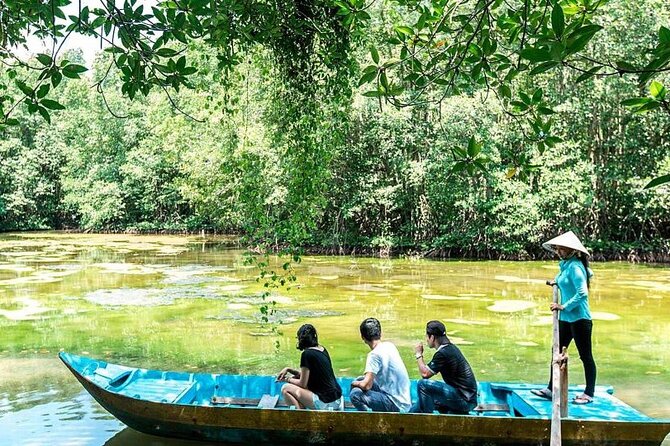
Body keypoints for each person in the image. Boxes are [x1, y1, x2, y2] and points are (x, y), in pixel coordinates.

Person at [531, 230, 596, 405]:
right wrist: (556, 283)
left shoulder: (575, 267)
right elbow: (583, 275)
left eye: (562, 249)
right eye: (557, 249)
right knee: (556, 352)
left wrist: (563, 306)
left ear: (572, 250)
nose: (559, 252)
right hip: (566, 319)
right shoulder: (566, 266)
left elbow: (582, 293)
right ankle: (552, 389)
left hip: (580, 319)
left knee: (585, 356)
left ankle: (589, 393)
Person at [411, 320, 478, 414]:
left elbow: (425, 374)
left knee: (422, 384)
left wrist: (418, 354)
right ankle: (407, 417)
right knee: (428, 398)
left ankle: (425, 421)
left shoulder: (443, 353)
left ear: (432, 337)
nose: (426, 339)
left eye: (427, 336)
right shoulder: (450, 348)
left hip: (465, 401)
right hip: (467, 398)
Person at [349, 317, 411, 412]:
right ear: (380, 333)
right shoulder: (390, 345)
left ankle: (369, 420)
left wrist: (354, 384)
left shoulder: (374, 355)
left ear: (363, 337)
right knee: (360, 379)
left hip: (395, 404)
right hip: (404, 400)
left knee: (355, 394)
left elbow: (367, 386)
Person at [276, 324, 343, 410]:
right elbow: (307, 376)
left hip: (325, 402)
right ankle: (302, 411)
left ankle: (301, 418)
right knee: (296, 385)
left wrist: (286, 379)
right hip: (336, 400)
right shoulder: (322, 349)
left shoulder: (306, 354)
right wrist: (289, 369)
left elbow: (302, 384)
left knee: (285, 388)